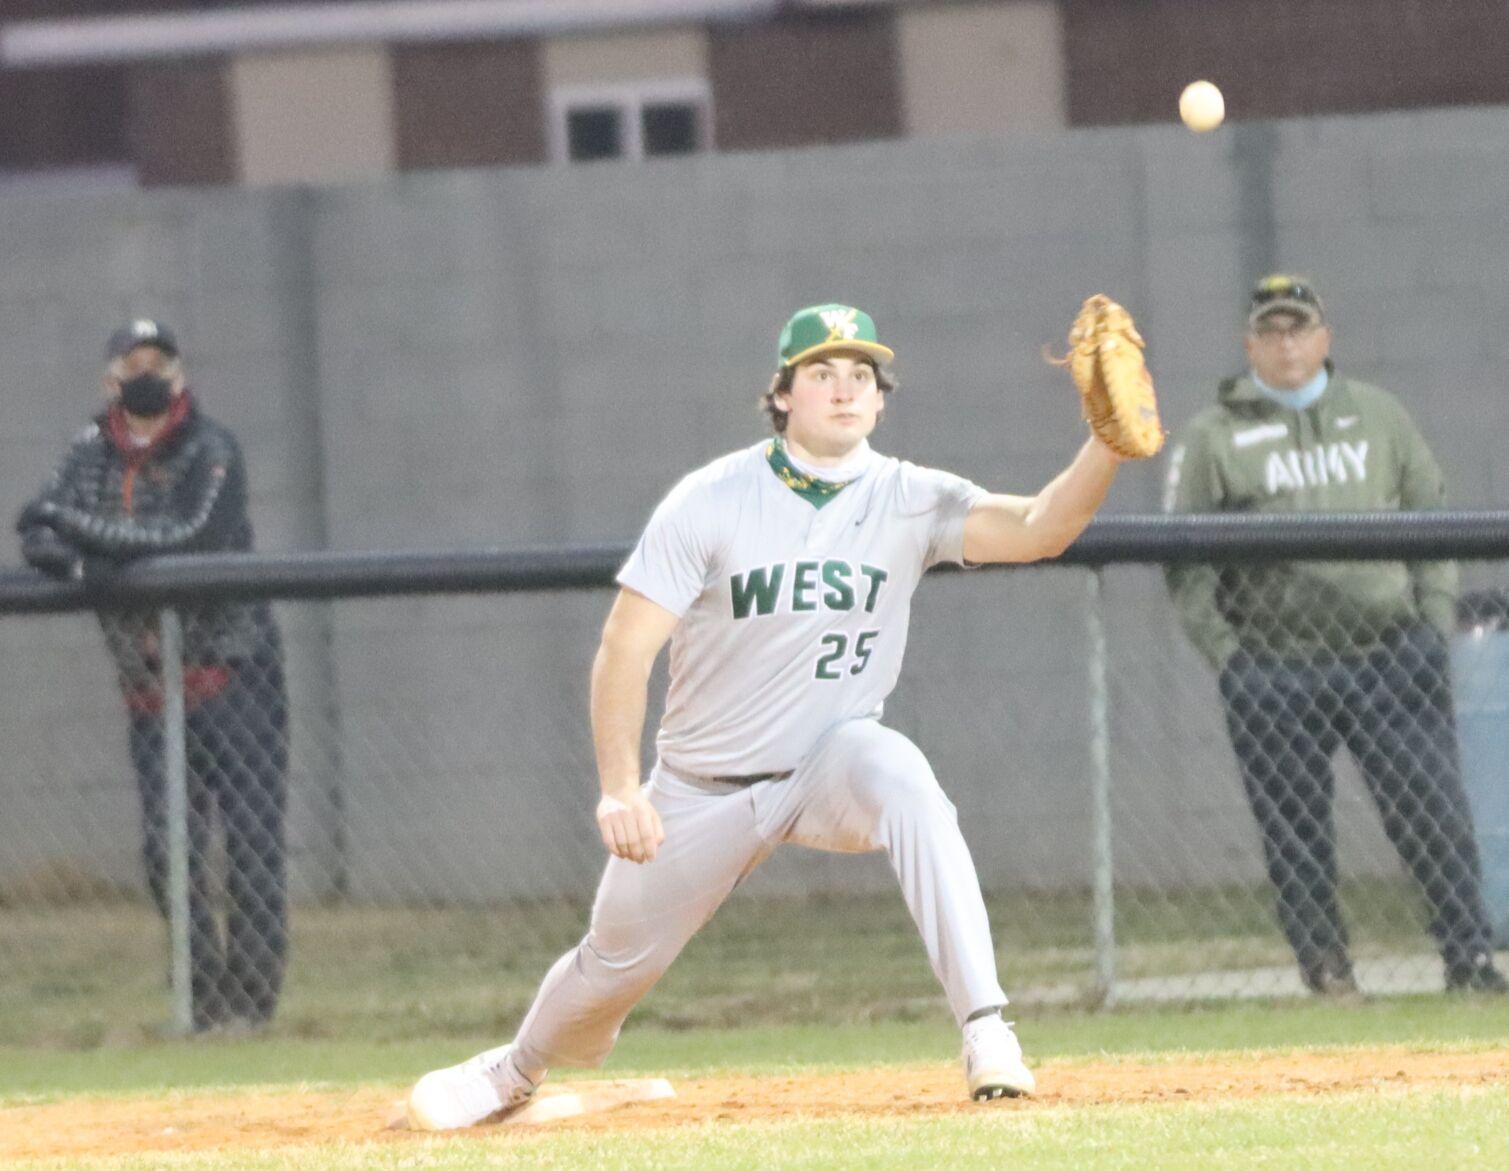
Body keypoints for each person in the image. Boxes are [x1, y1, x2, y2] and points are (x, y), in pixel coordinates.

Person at [405, 302, 1135, 1130]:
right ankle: (514, 1067)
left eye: (861, 375)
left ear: (881, 399)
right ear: (782, 395)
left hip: (825, 765)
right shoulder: (713, 499)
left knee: (902, 776)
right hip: (699, 788)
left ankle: (987, 1031)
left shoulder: (909, 496)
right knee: (610, 965)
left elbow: (1041, 527)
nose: (844, 389)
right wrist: (619, 787)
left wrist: (1105, 446)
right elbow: (624, 647)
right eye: (821, 373)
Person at [1164, 275, 1506, 996]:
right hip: (1274, 669)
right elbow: (1183, 561)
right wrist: (1229, 660)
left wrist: (1430, 617)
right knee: (1294, 835)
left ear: (1324, 338)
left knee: (1433, 815)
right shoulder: (1213, 437)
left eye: (1299, 328)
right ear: (1249, 344)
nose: (1286, 343)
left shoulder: (1379, 417)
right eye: (1272, 331)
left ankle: (1468, 958)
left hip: (1388, 657)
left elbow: (1431, 516)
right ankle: (1327, 971)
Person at [17, 319, 291, 1030]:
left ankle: (250, 1008)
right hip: (151, 689)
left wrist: (93, 549)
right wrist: (85, 552)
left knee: (253, 846)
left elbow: (193, 538)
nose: (145, 372)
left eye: (158, 360)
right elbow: (38, 526)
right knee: (168, 853)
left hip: (234, 676)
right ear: (110, 377)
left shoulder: (212, 447)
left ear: (177, 371)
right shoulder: (89, 450)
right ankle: (198, 1001)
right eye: (130, 361)